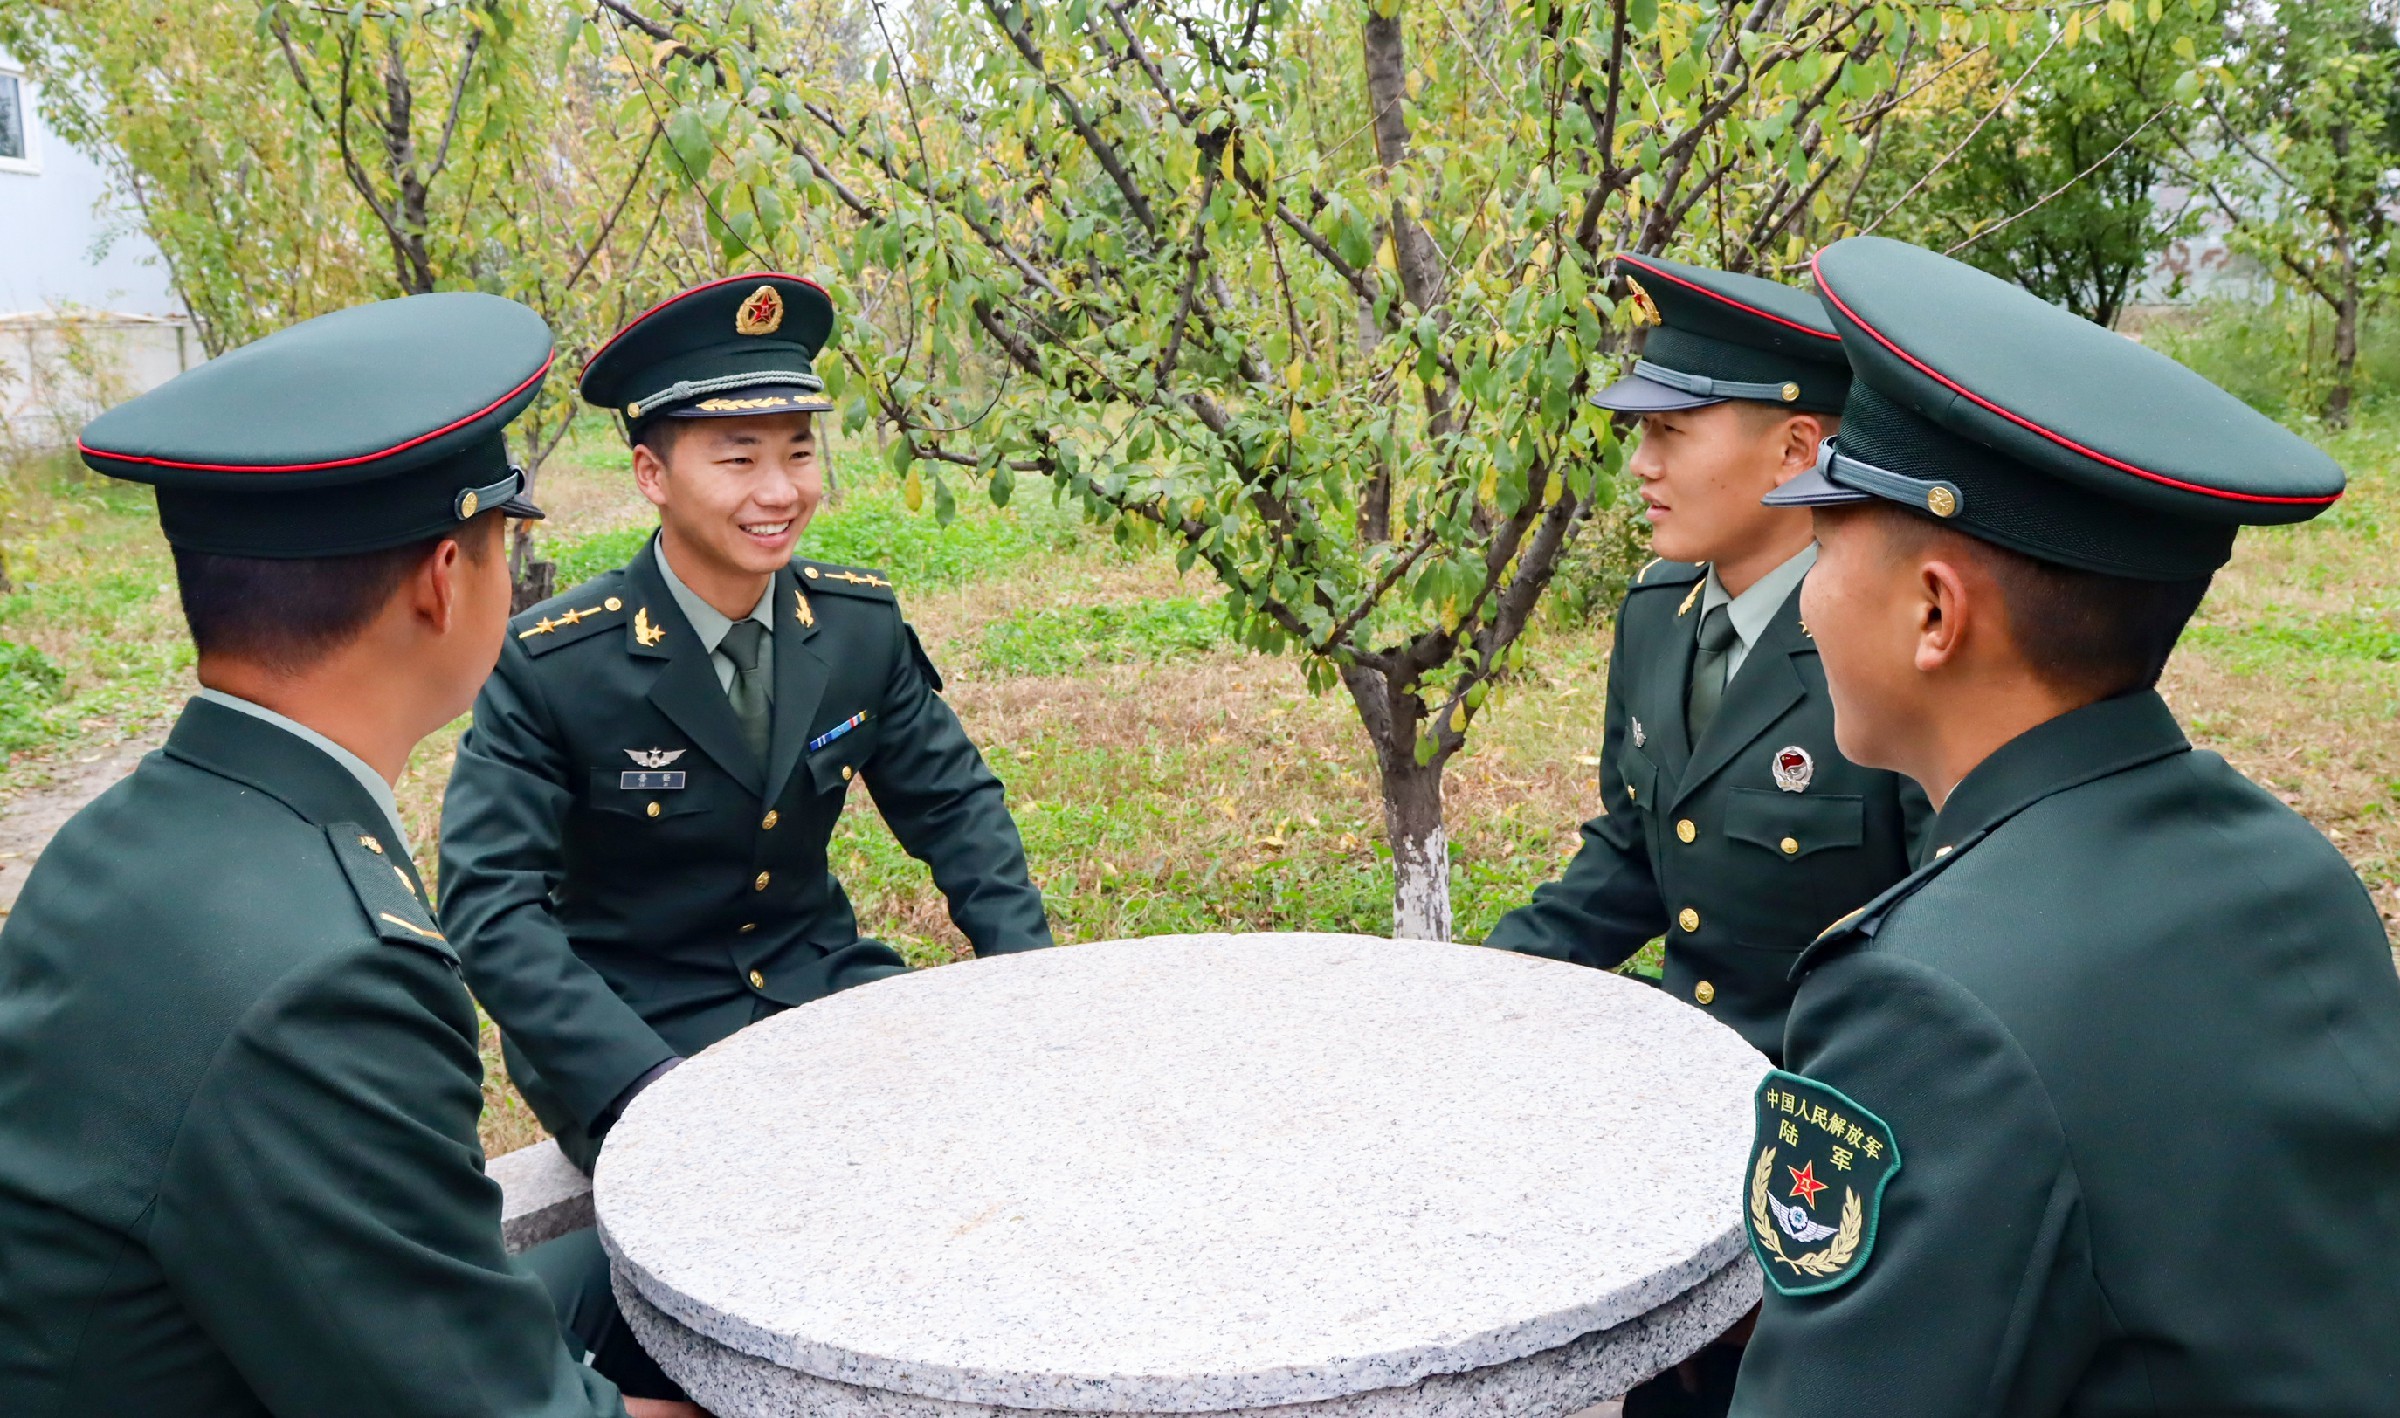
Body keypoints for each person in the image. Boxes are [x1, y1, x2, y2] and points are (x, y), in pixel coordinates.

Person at [1728, 235, 2400, 1413]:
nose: (1809, 598)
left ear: (1934, 612)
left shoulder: (1926, 1004)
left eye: (1824, 546)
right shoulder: (2290, 867)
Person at [0, 294, 693, 1415]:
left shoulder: (122, 835)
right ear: (442, 580)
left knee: (636, 1286)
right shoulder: (331, 972)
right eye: (503, 544)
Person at [438, 272, 1051, 1177]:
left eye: (798, 454)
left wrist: (1031, 984)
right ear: (653, 473)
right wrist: (641, 1081)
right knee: (752, 1190)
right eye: (738, 458)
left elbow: (956, 807)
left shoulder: (853, 627)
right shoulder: (554, 664)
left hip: (820, 985)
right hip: (637, 1027)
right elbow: (491, 906)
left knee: (970, 1145)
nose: (780, 491)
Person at [1485, 253, 1930, 1065]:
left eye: (1671, 432)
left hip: (1831, 1104)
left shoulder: (1896, 648)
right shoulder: (1660, 613)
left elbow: (1935, 935)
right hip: (1682, 1070)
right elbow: (1634, 855)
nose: (1642, 465)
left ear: (1797, 448)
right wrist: (1479, 985)